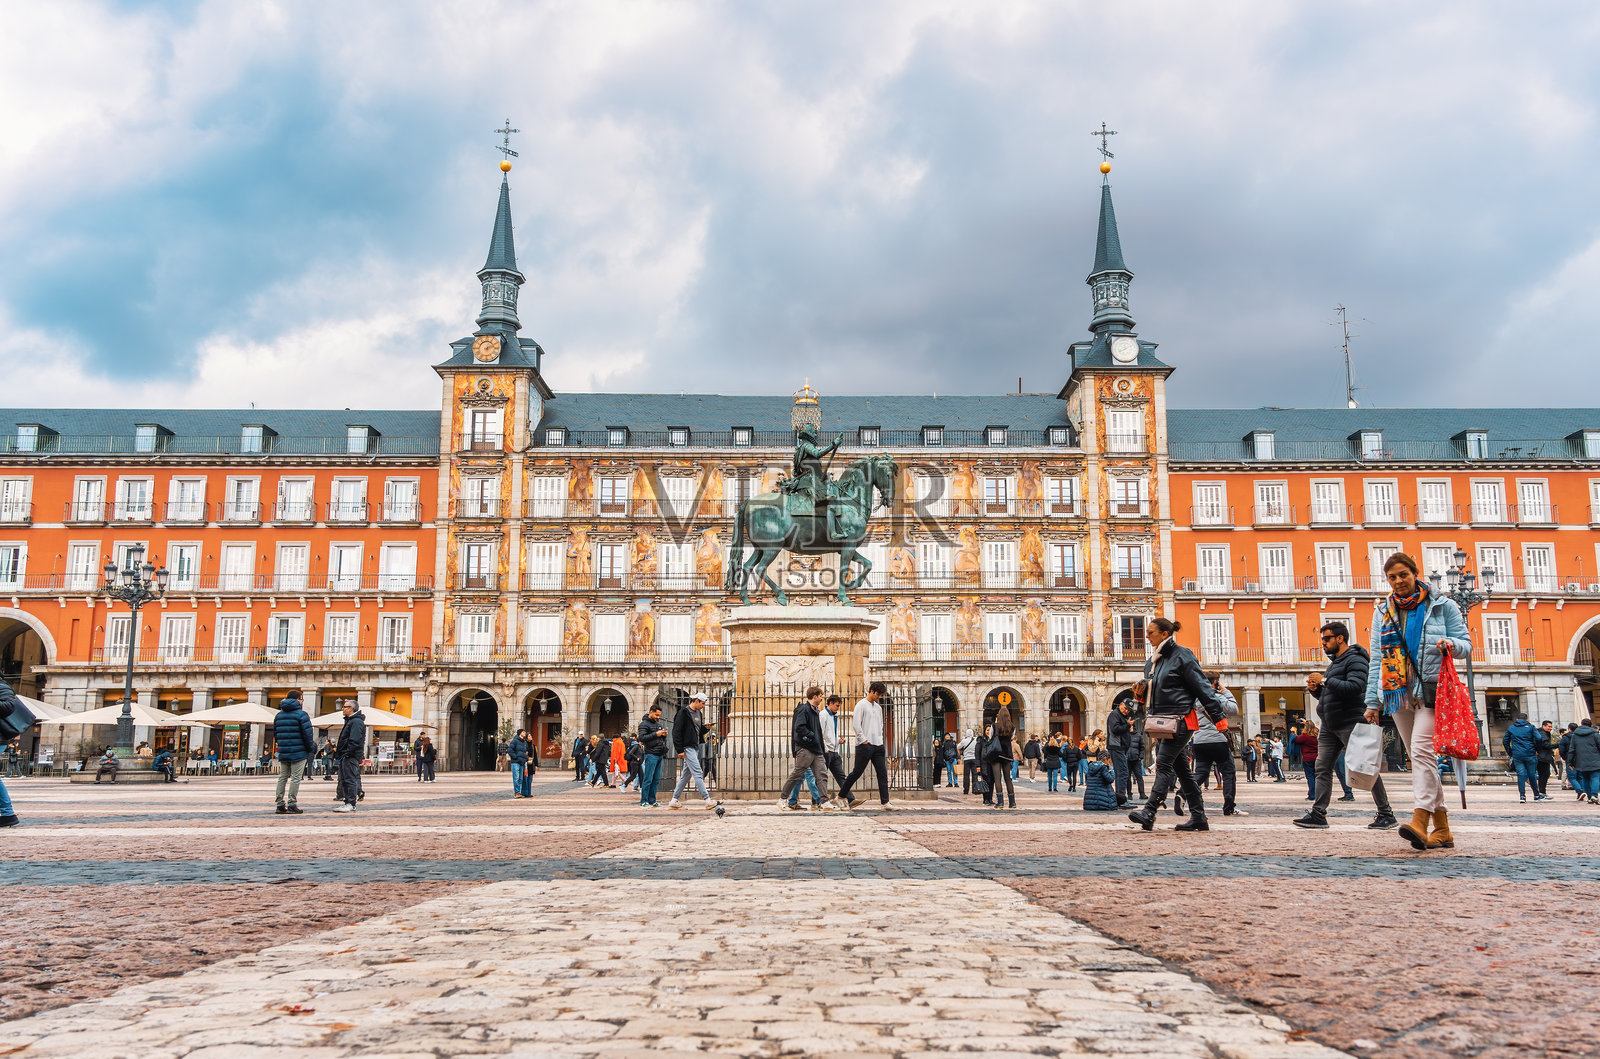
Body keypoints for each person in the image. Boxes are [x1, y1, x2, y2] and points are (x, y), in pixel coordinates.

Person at [1364, 551, 1472, 851]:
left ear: (1415, 573)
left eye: (1403, 575)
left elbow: (1467, 644)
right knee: (1420, 758)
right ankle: (1443, 830)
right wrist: (1373, 701)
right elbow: (1377, 660)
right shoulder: (1383, 612)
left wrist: (1451, 644)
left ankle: (1420, 819)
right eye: (1392, 577)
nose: (1398, 581)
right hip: (1398, 692)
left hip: (1432, 689)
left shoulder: (1443, 605)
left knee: (1423, 750)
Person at [1128, 618, 1226, 833]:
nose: (1147, 636)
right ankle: (1199, 817)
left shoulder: (1183, 655)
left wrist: (1218, 717)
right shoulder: (1153, 661)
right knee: (1182, 770)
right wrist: (1142, 694)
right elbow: (1157, 692)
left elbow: (1202, 688)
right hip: (1162, 721)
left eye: (1151, 632)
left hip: (1181, 720)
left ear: (1164, 634)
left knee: (1163, 764)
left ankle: (1150, 811)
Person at [1296, 621, 1397, 830]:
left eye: (1326, 639)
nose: (1323, 643)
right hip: (1329, 725)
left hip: (1350, 721)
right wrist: (1317, 690)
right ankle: (1318, 814)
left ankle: (1386, 814)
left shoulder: (1355, 659)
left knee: (1366, 766)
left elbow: (1355, 687)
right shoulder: (1336, 663)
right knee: (1321, 768)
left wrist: (1324, 680)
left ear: (1340, 638)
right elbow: (1331, 694)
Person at [1190, 673, 1245, 817]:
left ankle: (1182, 794)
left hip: (1200, 740)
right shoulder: (1216, 697)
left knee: (1200, 774)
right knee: (1228, 774)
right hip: (1218, 739)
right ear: (1215, 683)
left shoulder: (1194, 698)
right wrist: (1225, 691)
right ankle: (1229, 808)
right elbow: (1233, 709)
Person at [779, 687, 838, 811]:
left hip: (817, 749)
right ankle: (782, 799)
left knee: (822, 774)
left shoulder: (816, 711)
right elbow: (799, 728)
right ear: (815, 696)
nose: (822, 698)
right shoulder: (803, 709)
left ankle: (824, 802)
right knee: (797, 774)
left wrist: (821, 747)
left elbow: (818, 731)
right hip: (805, 748)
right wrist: (812, 737)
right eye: (820, 696)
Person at [667, 693, 720, 810]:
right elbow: (676, 732)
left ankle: (674, 800)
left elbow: (697, 731)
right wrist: (679, 749)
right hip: (687, 747)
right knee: (698, 772)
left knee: (685, 775)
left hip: (695, 746)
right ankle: (707, 800)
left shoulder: (699, 714)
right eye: (702, 703)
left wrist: (705, 729)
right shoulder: (683, 713)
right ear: (696, 701)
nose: (703, 706)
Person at [271, 690, 315, 814]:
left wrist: (283, 746)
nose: (302, 702)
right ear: (298, 699)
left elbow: (276, 734)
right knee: (295, 778)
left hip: (284, 751)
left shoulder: (278, 715)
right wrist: (310, 748)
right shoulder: (301, 715)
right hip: (299, 752)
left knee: (282, 777)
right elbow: (307, 734)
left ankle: (279, 804)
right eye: (301, 699)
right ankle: (292, 804)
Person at [332, 699, 367, 812]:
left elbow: (354, 739)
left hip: (350, 755)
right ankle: (348, 802)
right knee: (345, 779)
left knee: (350, 779)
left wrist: (348, 753)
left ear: (351, 708)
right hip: (346, 755)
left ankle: (351, 803)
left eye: (345, 706)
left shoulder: (356, 722)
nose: (343, 708)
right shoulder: (351, 721)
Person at [1501, 713, 1543, 803]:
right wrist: (1537, 749)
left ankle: (1522, 796)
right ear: (1527, 719)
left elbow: (1505, 741)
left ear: (1517, 719)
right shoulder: (1531, 727)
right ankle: (1536, 795)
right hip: (1530, 753)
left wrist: (1510, 752)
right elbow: (1539, 738)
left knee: (1521, 775)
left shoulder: (1511, 728)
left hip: (1517, 754)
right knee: (1532, 775)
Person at [637, 704, 669, 807]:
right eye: (656, 715)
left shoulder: (658, 724)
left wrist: (663, 736)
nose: (658, 717)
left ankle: (652, 800)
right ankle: (644, 800)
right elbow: (641, 738)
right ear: (651, 712)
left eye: (659, 715)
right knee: (648, 779)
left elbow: (660, 739)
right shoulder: (643, 724)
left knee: (656, 779)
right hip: (651, 754)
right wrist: (656, 734)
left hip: (659, 753)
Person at [987, 703, 1017, 810]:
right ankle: (1012, 802)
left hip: (996, 753)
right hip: (1007, 754)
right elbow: (1012, 737)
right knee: (1008, 779)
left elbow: (990, 737)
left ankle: (1000, 802)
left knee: (997, 778)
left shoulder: (994, 726)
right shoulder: (1012, 727)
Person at [1564, 717, 1600, 804]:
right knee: (1595, 777)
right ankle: (1594, 795)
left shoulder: (1575, 735)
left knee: (1585, 779)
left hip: (1580, 760)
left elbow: (1571, 750)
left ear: (1581, 724)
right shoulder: (1595, 734)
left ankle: (1589, 797)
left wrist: (1570, 762)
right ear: (1590, 725)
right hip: (1595, 760)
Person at [1107, 697, 1134, 806]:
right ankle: (1121, 799)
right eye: (1125, 708)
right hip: (1116, 747)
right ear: (1121, 704)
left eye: (1128, 710)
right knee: (1122, 773)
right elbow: (1115, 729)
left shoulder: (1122, 716)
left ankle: (1120, 798)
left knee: (1121, 773)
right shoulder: (1115, 714)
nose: (1126, 711)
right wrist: (1128, 725)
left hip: (1121, 748)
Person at [1294, 723, 1320, 800]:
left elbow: (1296, 740)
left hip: (1307, 758)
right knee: (1317, 777)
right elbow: (1318, 730)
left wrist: (1293, 733)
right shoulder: (1317, 735)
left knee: (1310, 777)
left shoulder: (1304, 737)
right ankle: (1318, 794)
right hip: (1317, 757)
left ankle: (1312, 795)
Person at [507, 729, 533, 798]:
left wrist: (526, 758)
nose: (525, 733)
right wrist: (515, 757)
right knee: (516, 777)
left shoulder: (524, 742)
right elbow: (509, 750)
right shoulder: (515, 741)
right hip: (515, 762)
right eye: (523, 732)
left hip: (522, 762)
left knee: (520, 779)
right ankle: (517, 792)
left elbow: (525, 752)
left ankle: (519, 792)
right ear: (519, 733)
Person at [1535, 720, 1556, 799]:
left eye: (1551, 727)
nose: (1550, 728)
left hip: (1544, 756)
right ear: (1544, 726)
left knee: (1544, 774)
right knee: (1544, 774)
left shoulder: (1543, 733)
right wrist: (1556, 745)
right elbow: (1545, 744)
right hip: (1542, 757)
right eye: (1549, 726)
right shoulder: (1542, 733)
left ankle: (1541, 791)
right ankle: (1542, 792)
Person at [958, 727, 980, 794]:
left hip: (966, 759)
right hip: (974, 759)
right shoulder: (976, 740)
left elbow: (958, 747)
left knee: (966, 775)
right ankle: (975, 789)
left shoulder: (964, 740)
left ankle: (966, 790)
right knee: (974, 775)